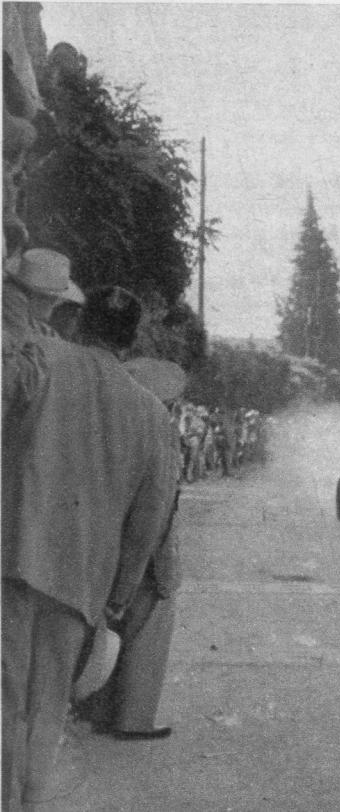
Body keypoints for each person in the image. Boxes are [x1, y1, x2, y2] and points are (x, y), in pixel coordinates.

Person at [2, 285, 180, 807]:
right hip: (80, 586)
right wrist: (118, 600)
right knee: (47, 707)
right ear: (129, 344)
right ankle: (28, 803)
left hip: (11, 559)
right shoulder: (153, 415)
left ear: (80, 324)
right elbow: (149, 521)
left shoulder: (40, 362)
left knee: (4, 699)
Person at [74, 356, 188, 741]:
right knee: (147, 638)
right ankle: (134, 719)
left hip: (108, 551)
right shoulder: (161, 433)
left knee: (108, 632)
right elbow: (156, 509)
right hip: (150, 560)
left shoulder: (112, 430)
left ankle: (99, 711)